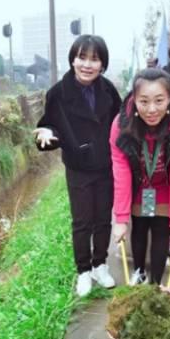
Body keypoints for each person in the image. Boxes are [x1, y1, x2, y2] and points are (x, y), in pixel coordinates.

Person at [34, 35, 122, 297]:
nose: (87, 64)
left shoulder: (108, 91)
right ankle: (83, 271)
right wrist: (45, 134)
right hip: (78, 167)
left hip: (106, 166)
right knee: (82, 221)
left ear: (102, 65)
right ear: (72, 59)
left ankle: (100, 265)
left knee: (103, 219)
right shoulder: (58, 94)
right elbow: (47, 124)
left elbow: (121, 124)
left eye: (94, 59)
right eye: (82, 57)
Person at [110, 68, 170, 285]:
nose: (151, 109)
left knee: (161, 231)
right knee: (139, 227)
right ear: (134, 99)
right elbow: (121, 172)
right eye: (144, 101)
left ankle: (156, 283)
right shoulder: (121, 126)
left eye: (159, 100)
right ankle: (139, 274)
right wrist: (120, 219)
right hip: (141, 184)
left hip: (164, 184)